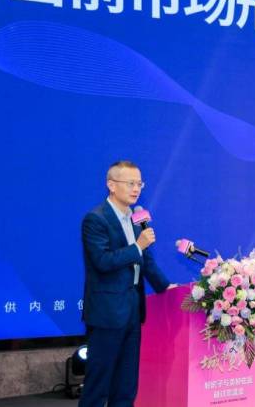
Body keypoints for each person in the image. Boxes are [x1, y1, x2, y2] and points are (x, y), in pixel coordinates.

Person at [79, 160, 175, 407]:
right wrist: (137, 246)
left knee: (126, 384)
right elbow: (102, 261)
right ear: (111, 185)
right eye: (130, 183)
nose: (136, 189)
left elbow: (146, 261)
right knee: (98, 384)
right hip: (107, 313)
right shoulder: (95, 219)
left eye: (140, 184)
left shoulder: (136, 217)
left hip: (132, 310)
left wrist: (166, 288)